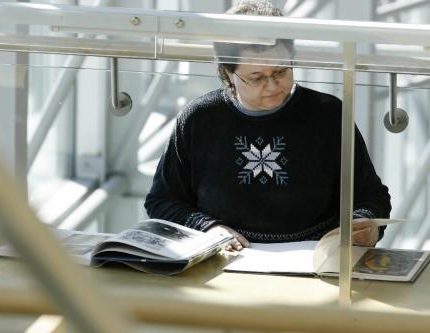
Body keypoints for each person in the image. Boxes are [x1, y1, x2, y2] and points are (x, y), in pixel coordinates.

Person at [144, 0, 391, 251]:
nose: (272, 86)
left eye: (281, 71)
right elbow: (162, 201)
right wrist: (208, 228)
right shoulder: (198, 118)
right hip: (226, 258)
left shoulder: (329, 113)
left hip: (315, 257)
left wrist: (365, 224)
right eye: (256, 77)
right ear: (228, 72)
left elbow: (371, 195)